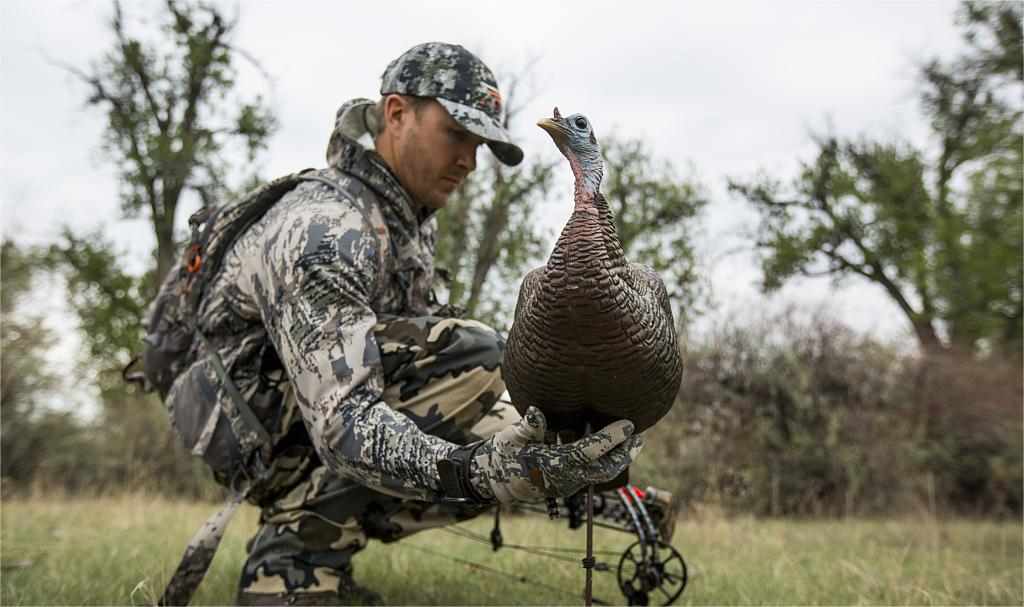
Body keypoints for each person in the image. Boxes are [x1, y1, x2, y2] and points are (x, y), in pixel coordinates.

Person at [167, 42, 643, 605]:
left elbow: (407, 365)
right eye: (457, 134)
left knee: (497, 387)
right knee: (480, 357)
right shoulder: (328, 230)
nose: (470, 160)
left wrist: (547, 456)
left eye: (482, 144)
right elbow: (345, 424)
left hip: (303, 411)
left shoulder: (405, 218)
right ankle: (292, 566)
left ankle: (307, 546)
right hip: (259, 424)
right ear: (396, 114)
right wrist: (482, 468)